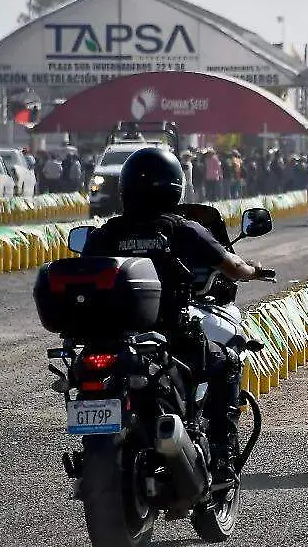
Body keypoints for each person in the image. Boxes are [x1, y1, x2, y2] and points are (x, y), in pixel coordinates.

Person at [82, 147, 271, 480]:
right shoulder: (182, 229)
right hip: (173, 333)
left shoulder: (106, 233)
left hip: (114, 337)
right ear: (174, 187)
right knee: (227, 361)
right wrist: (255, 270)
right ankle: (223, 462)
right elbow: (233, 267)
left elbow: (86, 271)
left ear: (125, 189)